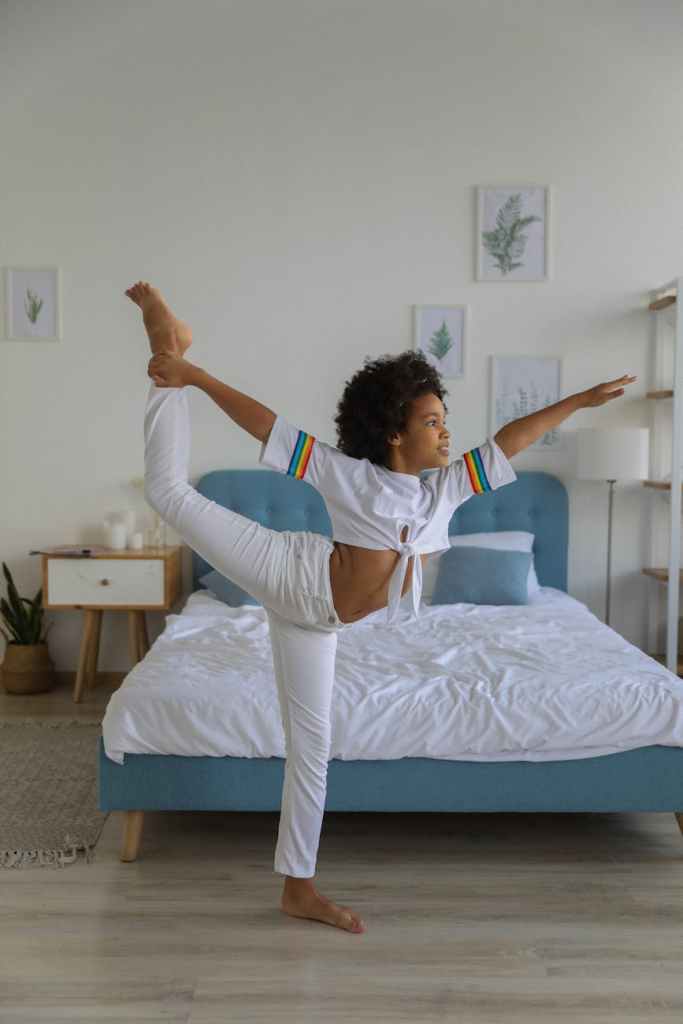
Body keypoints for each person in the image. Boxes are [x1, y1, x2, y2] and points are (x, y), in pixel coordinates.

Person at [125, 280, 637, 934]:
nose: (445, 433)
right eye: (431, 422)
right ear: (394, 433)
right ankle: (167, 351)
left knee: (312, 746)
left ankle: (297, 889)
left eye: (443, 421)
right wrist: (192, 377)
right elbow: (264, 422)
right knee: (167, 493)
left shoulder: (445, 492)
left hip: (319, 620)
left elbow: (512, 438)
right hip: (291, 573)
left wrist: (577, 401)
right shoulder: (347, 476)